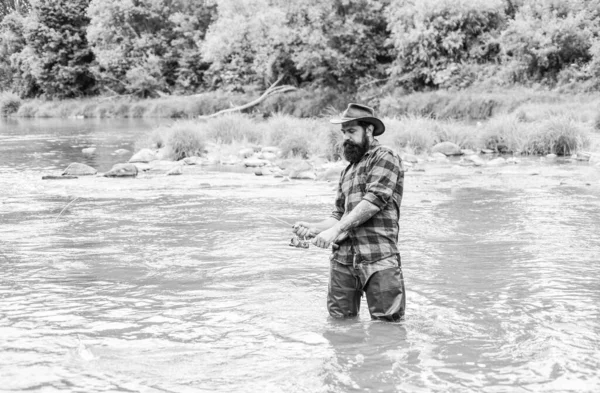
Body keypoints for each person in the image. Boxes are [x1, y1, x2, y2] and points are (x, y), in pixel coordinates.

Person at [293, 103, 406, 321]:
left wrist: (335, 231)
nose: (346, 138)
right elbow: (338, 214)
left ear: (369, 131)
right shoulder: (347, 171)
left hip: (379, 258)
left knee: (387, 329)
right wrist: (315, 228)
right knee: (339, 325)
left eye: (352, 131)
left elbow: (374, 200)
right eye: (344, 132)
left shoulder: (384, 157)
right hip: (342, 261)